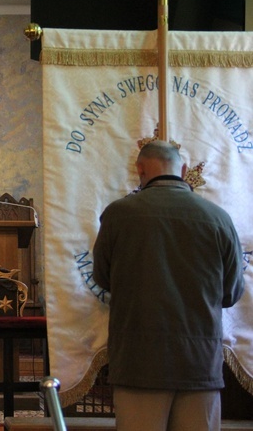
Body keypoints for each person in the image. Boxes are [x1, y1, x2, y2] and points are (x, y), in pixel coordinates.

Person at [92, 140, 244, 431]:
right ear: (184, 170)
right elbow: (231, 293)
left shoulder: (118, 214)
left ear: (140, 169)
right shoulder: (218, 218)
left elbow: (102, 278)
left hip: (139, 361)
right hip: (199, 361)